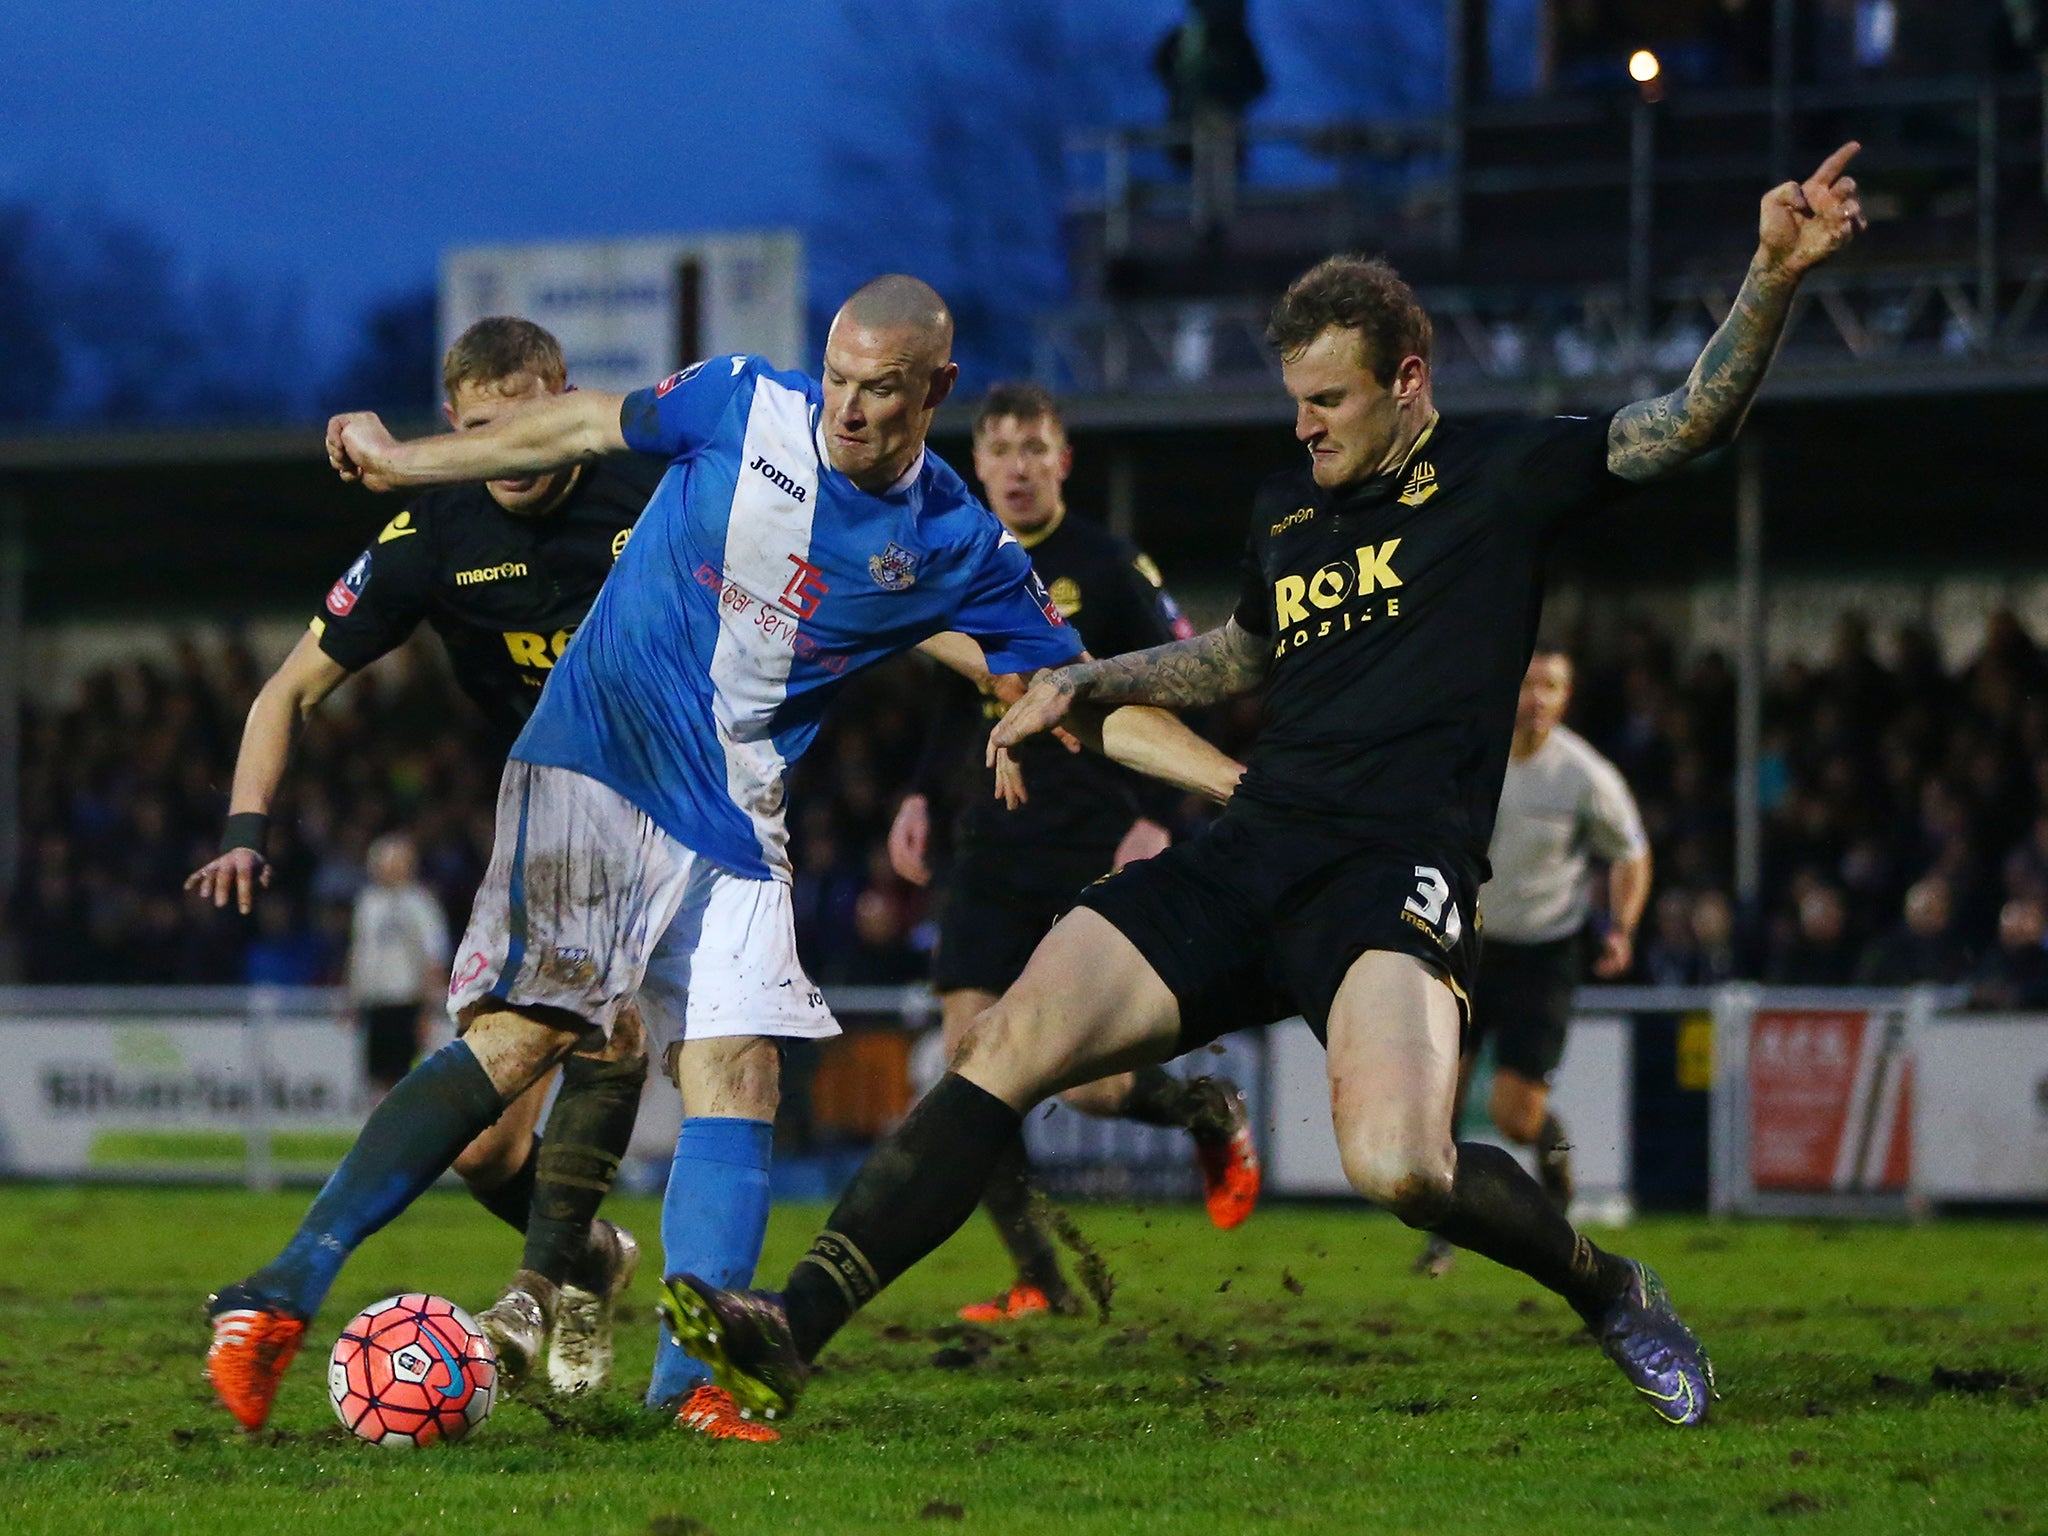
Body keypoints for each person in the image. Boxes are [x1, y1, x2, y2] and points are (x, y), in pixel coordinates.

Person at [662, 145, 1867, 1435]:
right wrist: (1087, 680)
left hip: (1386, 874)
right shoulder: (1287, 510)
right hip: (1250, 845)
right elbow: (1240, 655)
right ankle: (791, 1329)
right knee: (997, 1046)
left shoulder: (1503, 474)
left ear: (1409, 382)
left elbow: (1682, 423)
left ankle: (1604, 1285)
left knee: (1403, 1168)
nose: (1304, 426)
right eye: (1294, 400)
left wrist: (1771, 276)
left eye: (1329, 401)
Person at [205, 275, 1240, 1443]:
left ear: (933, 390)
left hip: (740, 803)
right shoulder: (741, 401)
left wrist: (1243, 787)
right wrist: (405, 462)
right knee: (527, 1034)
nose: (847, 410)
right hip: (602, 745)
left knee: (739, 1075)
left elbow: (1074, 696)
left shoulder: (954, 543)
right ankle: (279, 1289)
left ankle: (686, 1389)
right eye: (839, 380)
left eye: (881, 392)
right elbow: (586, 420)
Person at [187, 317, 654, 1400]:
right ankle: (588, 1261)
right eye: (489, 430)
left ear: (568, 400)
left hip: (682, 792)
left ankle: (521, 1297)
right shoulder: (431, 533)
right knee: (486, 1154)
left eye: (535, 420)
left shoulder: (649, 489)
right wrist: (245, 829)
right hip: (551, 807)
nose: (520, 449)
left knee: (603, 1027)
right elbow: (288, 689)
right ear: (455, 427)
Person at [890, 381, 1259, 1323]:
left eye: (1033, 448)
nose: (1014, 465)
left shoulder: (1106, 561)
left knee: (1091, 1091)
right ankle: (1039, 1279)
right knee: (969, 1060)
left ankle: (1204, 1113)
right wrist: (922, 796)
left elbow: (1186, 677)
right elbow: (949, 697)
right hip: (989, 841)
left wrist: (1154, 816)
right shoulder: (959, 559)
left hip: (1092, 834)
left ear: (1062, 461)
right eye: (999, 448)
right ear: (978, 464)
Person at [1415, 647, 1650, 1278]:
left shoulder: (1583, 775)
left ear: (1565, 698)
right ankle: (1443, 1236)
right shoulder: (1471, 757)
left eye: (1550, 686)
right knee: (1437, 1101)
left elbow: (1631, 853)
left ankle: (1555, 1157)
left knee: (1513, 1117)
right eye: (1526, 683)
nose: (1536, 698)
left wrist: (1622, 928)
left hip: (1546, 954)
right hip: (1469, 943)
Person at [346, 832, 451, 1095]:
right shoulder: (368, 903)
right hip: (376, 1001)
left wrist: (429, 1010)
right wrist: (352, 997)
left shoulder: (421, 903)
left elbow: (434, 957)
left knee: (408, 1077)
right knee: (376, 1077)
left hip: (407, 1002)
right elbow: (359, 952)